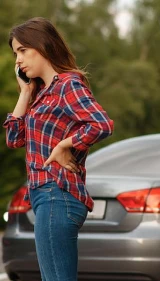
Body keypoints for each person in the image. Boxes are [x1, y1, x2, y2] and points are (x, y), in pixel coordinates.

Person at [3, 17, 114, 281]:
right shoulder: (41, 95)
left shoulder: (67, 85)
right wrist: (25, 94)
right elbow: (14, 138)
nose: (17, 60)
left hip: (57, 193)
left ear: (42, 45)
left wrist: (66, 144)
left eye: (22, 50)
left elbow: (102, 124)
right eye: (14, 53)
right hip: (46, 197)